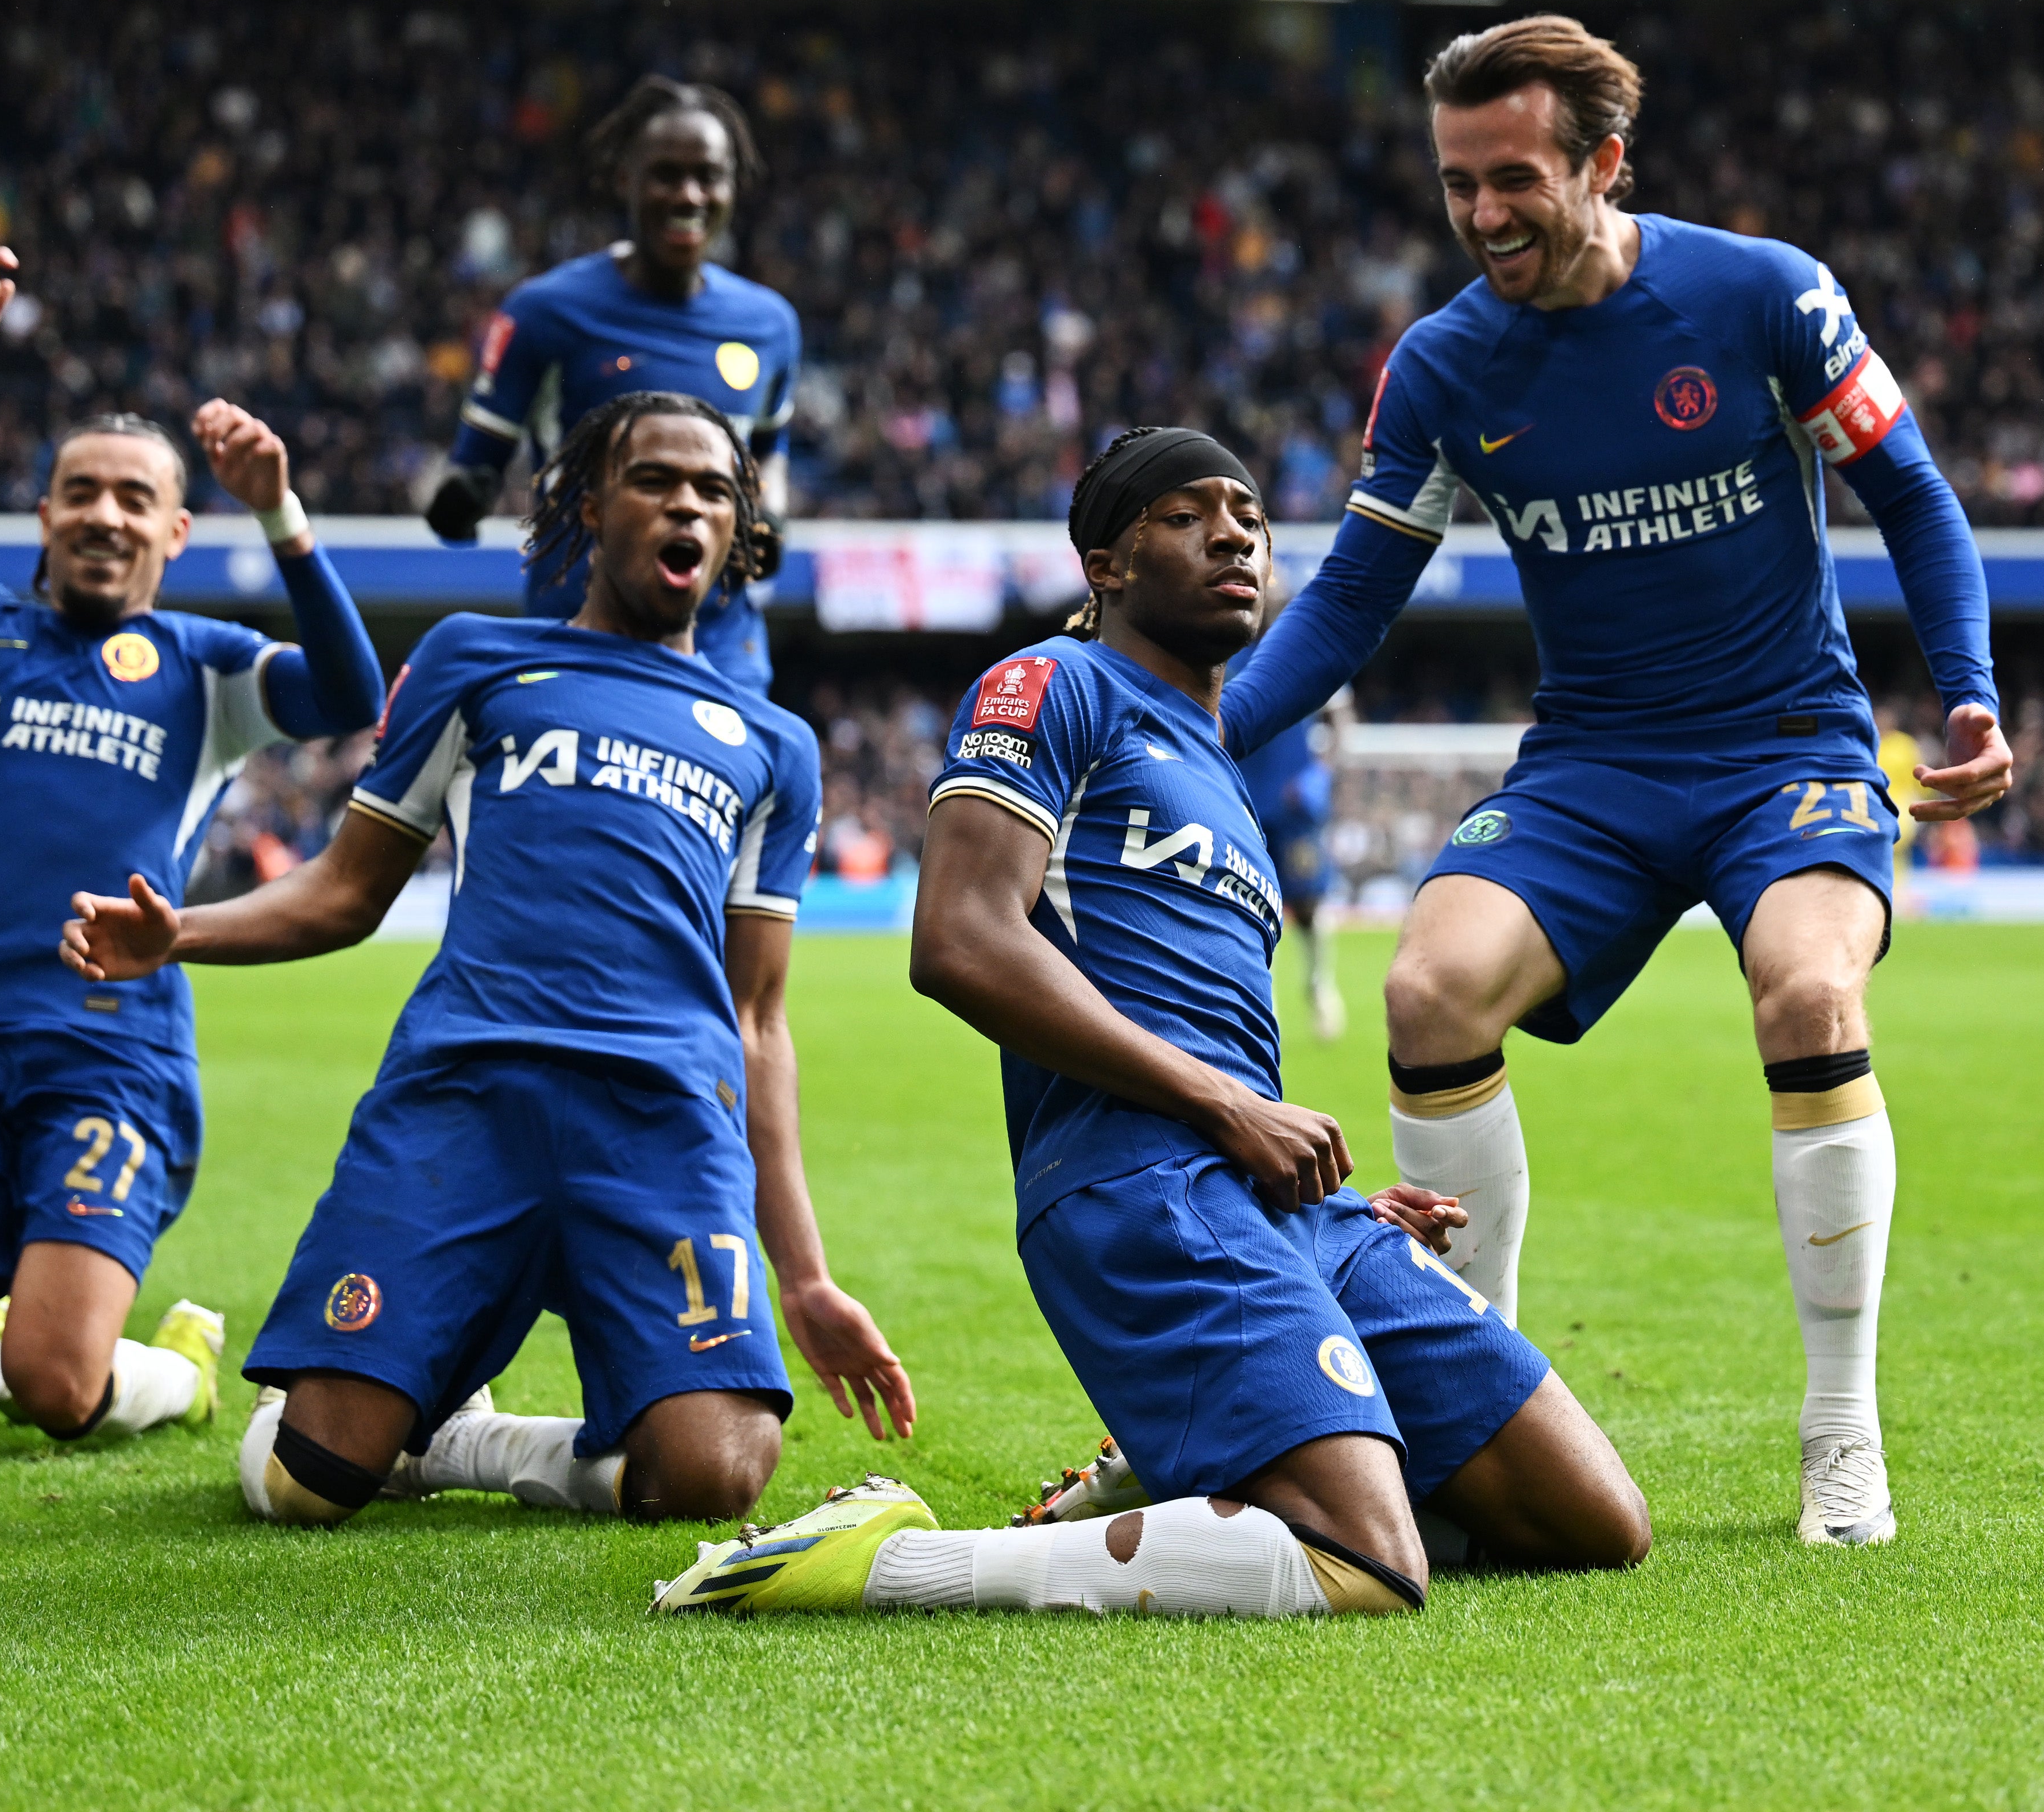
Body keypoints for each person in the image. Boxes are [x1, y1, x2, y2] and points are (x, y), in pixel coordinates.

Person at [1216, 16, 2013, 1550]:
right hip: (1591, 763)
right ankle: (1471, 1402)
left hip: (1788, 747)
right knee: (1425, 994)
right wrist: (1193, 730)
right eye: (1457, 184)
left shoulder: (1762, 295)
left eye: (1514, 178)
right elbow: (1346, 605)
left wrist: (1965, 686)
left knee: (1809, 1001)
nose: (1482, 213)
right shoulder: (1446, 366)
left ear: (1604, 163)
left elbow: (1908, 488)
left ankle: (1839, 1428)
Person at [650, 428, 1646, 1620]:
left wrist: (1324, 1186)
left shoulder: (1222, 772)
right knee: (1371, 1567)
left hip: (1275, 1198)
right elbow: (959, 941)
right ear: (1105, 564)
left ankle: (1195, 1472)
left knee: (1592, 1524)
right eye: (1187, 514)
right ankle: (886, 1559)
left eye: (1247, 514)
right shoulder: (1051, 688)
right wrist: (1224, 1105)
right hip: (1138, 1184)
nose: (1234, 532)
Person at [63, 392, 911, 1529]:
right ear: (588, 503)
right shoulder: (475, 659)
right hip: (466, 1097)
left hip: (660, 1124)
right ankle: (395, 1404)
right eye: (656, 478)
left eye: (714, 489)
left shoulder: (774, 744)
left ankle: (474, 1441)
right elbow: (346, 890)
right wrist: (184, 936)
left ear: (739, 530)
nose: (688, 505)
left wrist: (804, 1276)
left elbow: (759, 1018)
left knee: (715, 1472)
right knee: (304, 1482)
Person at [0, 249, 387, 1446]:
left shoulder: (208, 673)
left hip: (106, 1049)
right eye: (82, 492)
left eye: (134, 499)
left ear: (176, 530)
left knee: (60, 1389)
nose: (105, 514)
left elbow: (352, 691)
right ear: (43, 516)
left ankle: (175, 1374)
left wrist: (283, 513)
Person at [425, 76, 801, 698]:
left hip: (722, 654)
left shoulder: (771, 326)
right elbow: (475, 463)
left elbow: (769, 451)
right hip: (577, 643)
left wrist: (773, 517)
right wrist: (462, 497)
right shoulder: (546, 313)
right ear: (624, 178)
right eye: (666, 174)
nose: (689, 195)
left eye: (708, 175)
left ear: (735, 186)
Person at [1233, 665, 1356, 1041]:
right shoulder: (1225, 645)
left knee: (1307, 904)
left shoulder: (1303, 644)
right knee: (1244, 907)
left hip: (1292, 806)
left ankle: (1320, 985)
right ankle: (1262, 1003)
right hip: (1240, 800)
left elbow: (1342, 716)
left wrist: (1320, 772)